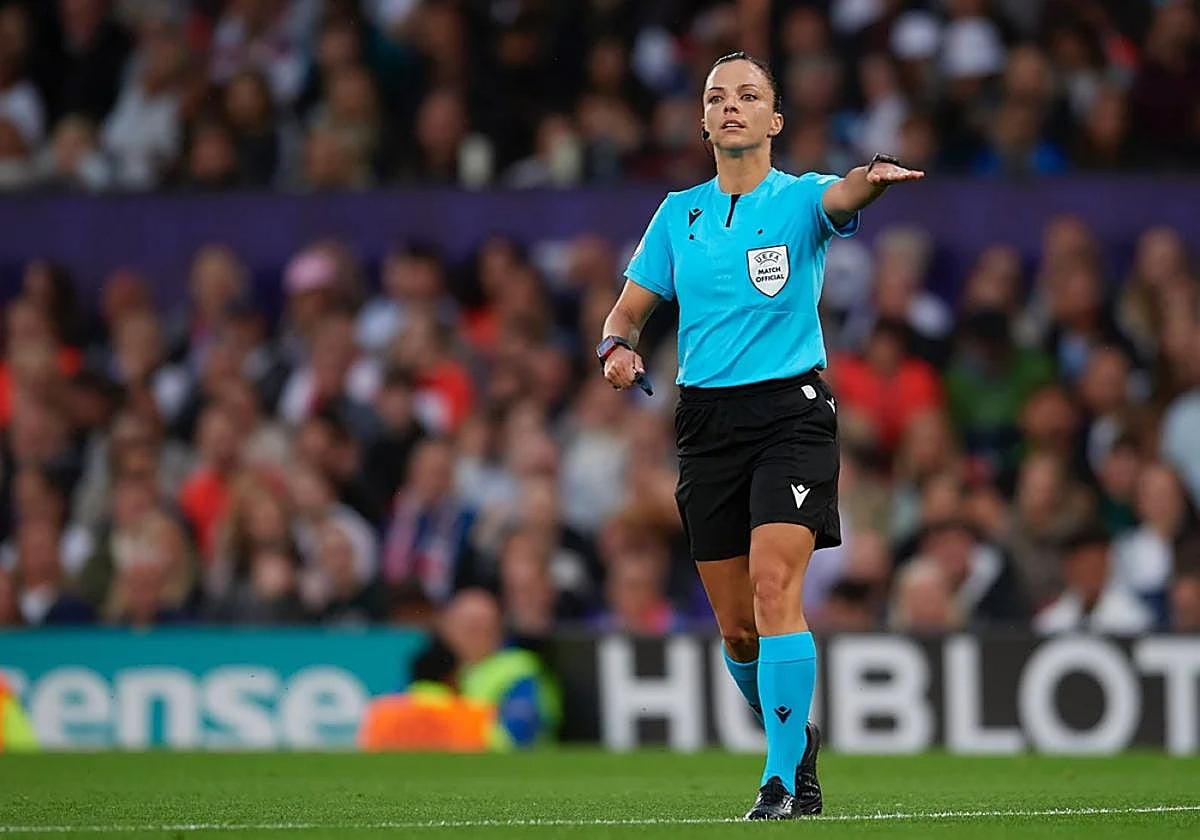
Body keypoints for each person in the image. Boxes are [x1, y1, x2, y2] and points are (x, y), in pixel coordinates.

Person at [599, 51, 922, 820]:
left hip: (791, 415)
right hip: (706, 423)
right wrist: (614, 348)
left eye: (748, 96)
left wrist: (866, 180)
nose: (731, 106)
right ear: (704, 120)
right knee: (738, 629)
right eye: (717, 97)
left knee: (777, 589)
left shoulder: (802, 200)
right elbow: (627, 312)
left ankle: (779, 783)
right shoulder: (679, 215)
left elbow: (840, 198)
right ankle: (796, 742)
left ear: (775, 121)